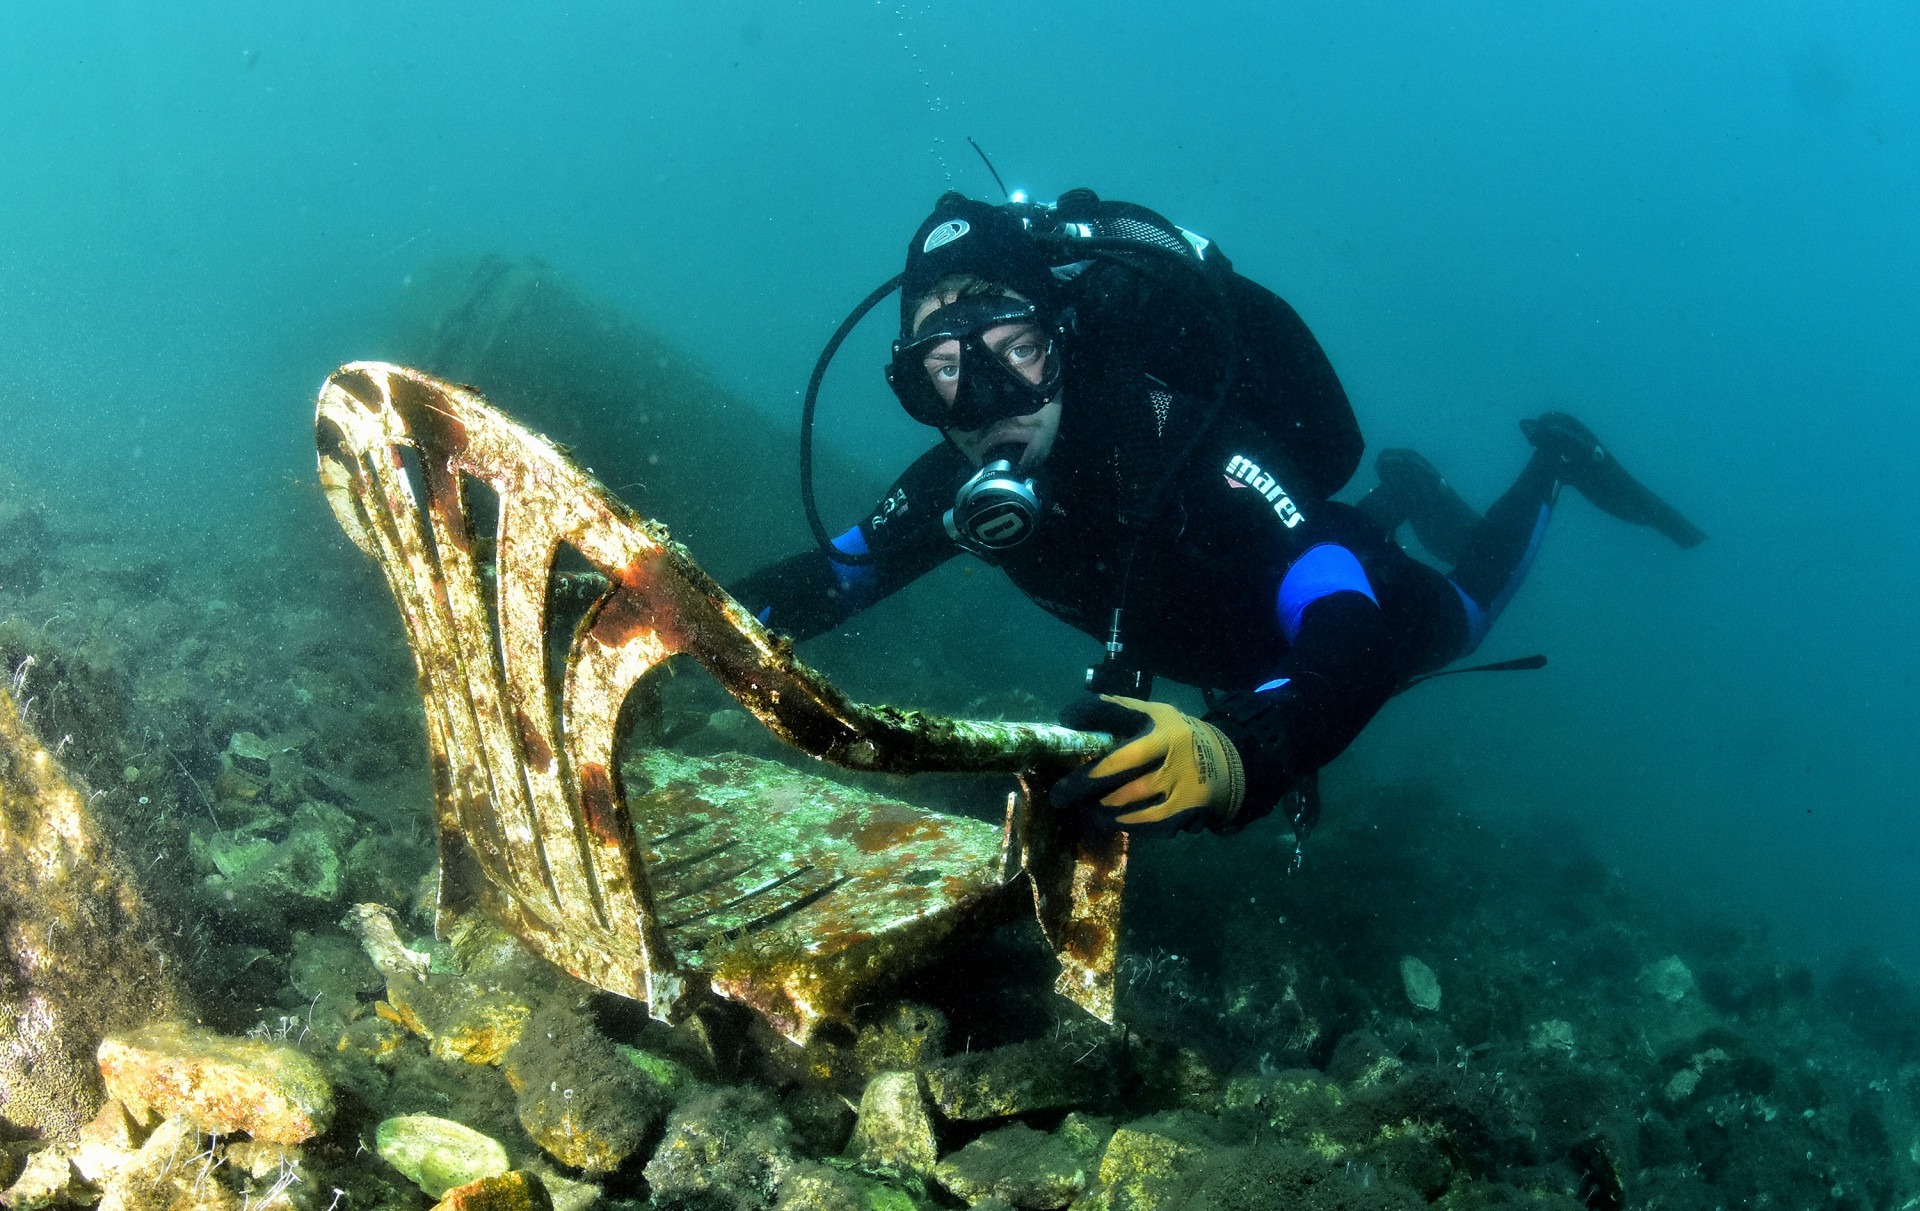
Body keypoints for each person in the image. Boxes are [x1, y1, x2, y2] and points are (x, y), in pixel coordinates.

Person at [734, 191, 1703, 842]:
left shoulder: (1185, 442)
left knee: (1461, 617)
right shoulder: (956, 485)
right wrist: (676, 611)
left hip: (1326, 593)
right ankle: (1408, 490)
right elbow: (834, 574)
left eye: (1015, 349)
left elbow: (1347, 621)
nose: (986, 401)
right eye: (943, 371)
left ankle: (1552, 462)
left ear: (1062, 340)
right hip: (1232, 624)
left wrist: (1241, 752)